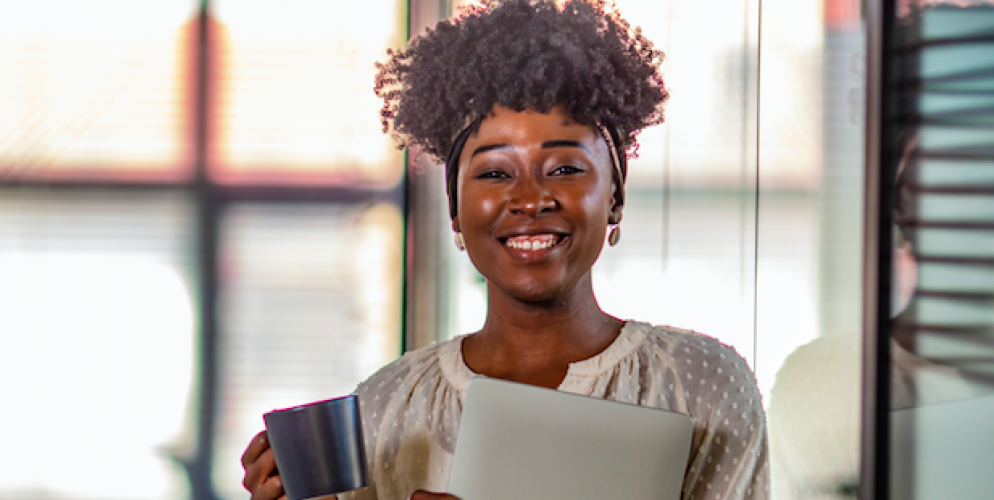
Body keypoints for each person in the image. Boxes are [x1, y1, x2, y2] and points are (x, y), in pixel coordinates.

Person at [240, 1, 769, 499]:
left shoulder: (702, 386)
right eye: (494, 172)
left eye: (564, 169)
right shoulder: (387, 406)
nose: (529, 199)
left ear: (615, 196)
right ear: (455, 210)